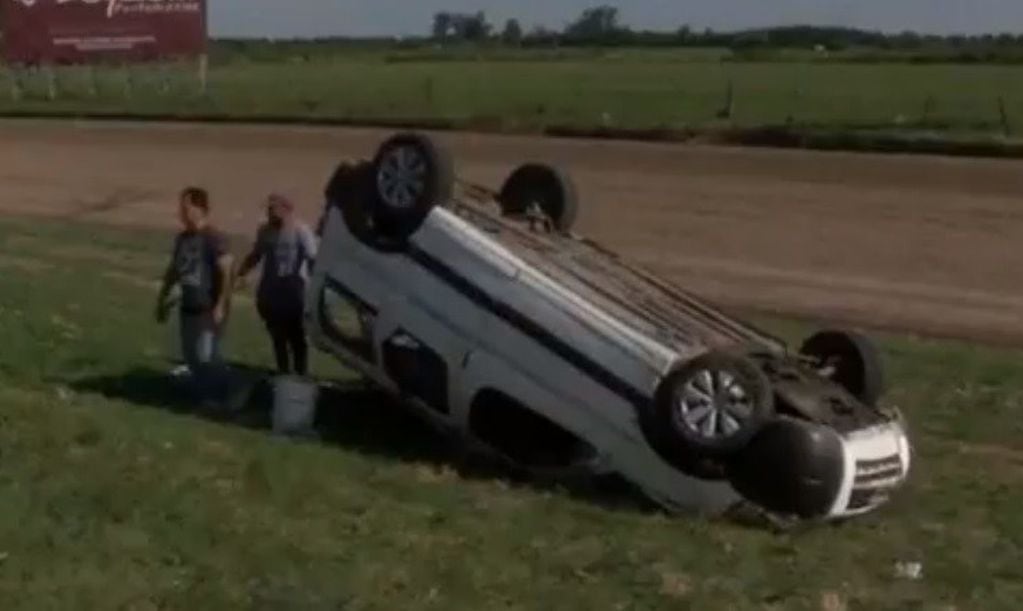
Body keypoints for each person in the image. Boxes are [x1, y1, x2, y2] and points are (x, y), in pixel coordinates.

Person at [155, 186, 236, 405]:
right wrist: (163, 297)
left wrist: (220, 304)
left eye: (186, 208)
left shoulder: (213, 238)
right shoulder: (182, 239)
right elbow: (174, 270)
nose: (181, 212)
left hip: (208, 308)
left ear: (200, 208)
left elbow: (227, 271)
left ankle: (223, 394)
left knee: (206, 355)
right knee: (192, 356)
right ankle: (204, 395)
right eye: (181, 208)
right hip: (188, 308)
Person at [237, 193, 318, 376]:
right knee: (277, 336)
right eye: (269, 209)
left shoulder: (301, 232)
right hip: (271, 293)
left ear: (286, 209)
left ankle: (300, 375)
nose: (269, 212)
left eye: (273, 209)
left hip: (293, 294)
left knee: (297, 337)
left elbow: (312, 260)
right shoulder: (266, 231)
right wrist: (242, 273)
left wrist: (315, 291)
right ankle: (283, 372)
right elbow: (256, 254)